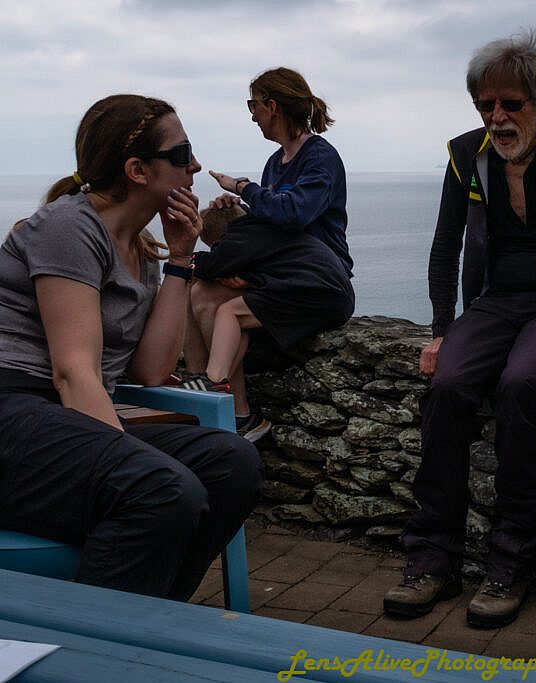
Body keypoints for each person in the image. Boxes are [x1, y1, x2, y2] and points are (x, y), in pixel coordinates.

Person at [382, 28, 536, 628]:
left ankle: (511, 562)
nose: (497, 116)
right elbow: (445, 246)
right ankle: (430, 560)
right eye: (486, 105)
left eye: (511, 103)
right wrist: (440, 329)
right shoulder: (467, 156)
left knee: (521, 387)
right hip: (495, 302)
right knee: (449, 386)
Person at [0, 94, 262, 600]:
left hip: (61, 417)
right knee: (162, 489)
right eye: (183, 152)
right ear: (138, 169)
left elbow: (151, 369)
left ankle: (151, 618)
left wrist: (182, 259)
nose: (197, 165)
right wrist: (131, 460)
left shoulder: (140, 251)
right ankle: (88, 647)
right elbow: (73, 374)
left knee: (234, 465)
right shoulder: (69, 227)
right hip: (14, 407)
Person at [186, 67, 351, 441]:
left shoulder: (320, 158)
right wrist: (237, 208)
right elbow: (269, 222)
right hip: (276, 271)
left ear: (272, 106)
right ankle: (223, 406)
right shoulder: (276, 162)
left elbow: (294, 215)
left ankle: (223, 400)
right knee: (197, 291)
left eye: (253, 105)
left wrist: (244, 187)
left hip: (315, 275)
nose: (251, 114)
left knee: (217, 302)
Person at [181, 205, 355, 395]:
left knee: (229, 312)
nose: (218, 250)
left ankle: (215, 380)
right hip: (330, 294)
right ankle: (213, 383)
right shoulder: (263, 227)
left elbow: (212, 265)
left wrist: (190, 255)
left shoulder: (240, 236)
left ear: (222, 237)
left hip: (315, 294)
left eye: (216, 246)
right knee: (238, 315)